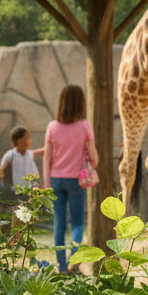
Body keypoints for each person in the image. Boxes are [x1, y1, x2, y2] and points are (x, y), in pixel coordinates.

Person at [43, 84, 98, 273]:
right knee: (77, 223)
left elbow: (47, 157)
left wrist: (46, 182)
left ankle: (61, 267)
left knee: (59, 223)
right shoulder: (85, 126)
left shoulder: (52, 127)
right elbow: (95, 160)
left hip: (55, 180)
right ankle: (73, 262)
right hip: (76, 180)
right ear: (81, 103)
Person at [0, 126, 44, 195]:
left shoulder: (29, 154)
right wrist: (1, 170)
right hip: (16, 191)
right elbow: (3, 166)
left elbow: (43, 151)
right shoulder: (11, 155)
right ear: (19, 140)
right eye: (26, 138)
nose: (29, 140)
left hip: (31, 190)